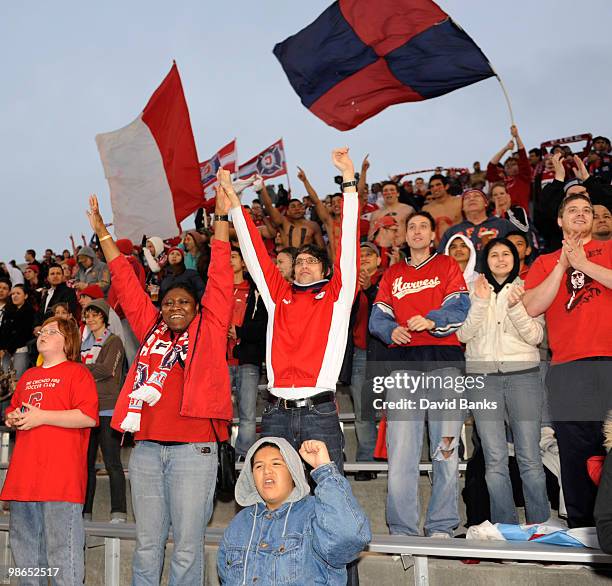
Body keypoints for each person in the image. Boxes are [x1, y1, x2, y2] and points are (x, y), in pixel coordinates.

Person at [86, 185, 233, 584]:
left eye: (184, 302)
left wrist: (220, 219)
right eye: (169, 302)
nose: (175, 308)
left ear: (198, 307)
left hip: (193, 452)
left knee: (187, 546)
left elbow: (220, 276)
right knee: (148, 544)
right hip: (148, 451)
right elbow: (127, 284)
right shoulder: (151, 329)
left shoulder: (210, 328)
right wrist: (102, 232)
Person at [226, 148, 359, 473]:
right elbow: (255, 253)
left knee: (329, 497)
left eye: (312, 262)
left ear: (326, 270)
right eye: (298, 262)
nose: (303, 266)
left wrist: (349, 183)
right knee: (275, 501)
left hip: (319, 411)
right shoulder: (277, 295)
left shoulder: (338, 296)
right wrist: (234, 205)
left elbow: (348, 246)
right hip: (276, 413)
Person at [369, 211, 470, 537]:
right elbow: (377, 317)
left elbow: (459, 307)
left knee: (445, 451)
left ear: (432, 236)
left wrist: (431, 320)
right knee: (401, 456)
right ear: (404, 235)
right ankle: (403, 530)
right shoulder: (392, 274)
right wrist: (390, 331)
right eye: (410, 226)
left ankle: (442, 525)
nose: (416, 231)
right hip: (404, 371)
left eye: (423, 227)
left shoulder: (447, 266)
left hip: (444, 365)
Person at [523, 192, 612, 528]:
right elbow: (532, 306)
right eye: (572, 210)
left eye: (586, 210)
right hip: (568, 367)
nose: (580, 214)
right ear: (560, 220)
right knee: (576, 453)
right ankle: (583, 531)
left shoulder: (609, 249)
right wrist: (562, 264)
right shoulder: (545, 261)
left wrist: (584, 264)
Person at [457, 238, 549, 524]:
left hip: (523, 378)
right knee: (494, 459)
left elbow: (536, 337)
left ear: (515, 258)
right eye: (493, 254)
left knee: (530, 458)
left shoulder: (528, 290)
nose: (500, 259)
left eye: (506, 253)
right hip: (483, 379)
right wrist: (481, 303)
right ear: (486, 260)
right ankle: (506, 529)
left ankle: (540, 527)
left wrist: (515, 308)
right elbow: (462, 335)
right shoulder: (473, 291)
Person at [1, 316, 98, 585]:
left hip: (60, 479)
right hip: (24, 478)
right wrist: (13, 418)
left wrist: (42, 416)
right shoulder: (29, 375)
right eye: (42, 331)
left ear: (68, 342)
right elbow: (15, 411)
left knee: (62, 551)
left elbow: (88, 417)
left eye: (52, 331)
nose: (43, 334)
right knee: (24, 551)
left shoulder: (78, 372)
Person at [217, 437, 371, 585]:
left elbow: (349, 537)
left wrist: (324, 470)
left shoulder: (317, 514)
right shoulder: (238, 524)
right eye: (258, 466)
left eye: (276, 464)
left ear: (293, 472)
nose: (266, 471)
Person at [80, 299, 127, 523]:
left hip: (108, 408)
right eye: (87, 315)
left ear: (104, 317)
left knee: (112, 463)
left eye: (94, 315)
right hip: (87, 410)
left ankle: (118, 512)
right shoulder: (83, 343)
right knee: (86, 465)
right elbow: (95, 370)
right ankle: (85, 512)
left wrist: (80, 369)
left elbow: (107, 370)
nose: (90, 319)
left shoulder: (114, 341)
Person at [228, 247, 267, 458]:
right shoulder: (217, 290)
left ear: (244, 263)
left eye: (233, 256)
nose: (228, 260)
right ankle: (221, 456)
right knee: (219, 414)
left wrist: (239, 331)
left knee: (248, 414)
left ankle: (245, 458)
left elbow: (264, 326)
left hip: (247, 359)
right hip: (220, 360)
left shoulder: (256, 290)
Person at [437, 188, 513, 263]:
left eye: (476, 196)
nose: (472, 199)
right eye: (467, 198)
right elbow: (441, 258)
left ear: (486, 203)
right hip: (462, 274)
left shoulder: (503, 224)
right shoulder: (452, 231)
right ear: (462, 207)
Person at [486, 125, 532, 211]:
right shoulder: (501, 182)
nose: (509, 166)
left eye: (513, 164)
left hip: (520, 218)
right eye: (507, 165)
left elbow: (523, 156)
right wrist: (506, 148)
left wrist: (517, 136)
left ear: (519, 167)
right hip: (502, 218)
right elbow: (491, 166)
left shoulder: (523, 178)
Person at [0, 285, 36, 380]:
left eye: (18, 293)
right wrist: (2, 347)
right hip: (6, 351)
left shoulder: (30, 311)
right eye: (12, 294)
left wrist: (7, 348)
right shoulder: (8, 311)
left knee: (17, 379)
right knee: (5, 380)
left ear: (25, 296)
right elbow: (3, 331)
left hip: (21, 350)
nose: (14, 296)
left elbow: (23, 334)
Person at [368, 181, 415, 248]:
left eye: (392, 190)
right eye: (385, 191)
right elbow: (370, 236)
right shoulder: (375, 214)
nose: (389, 193)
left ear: (398, 193)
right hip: (380, 250)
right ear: (382, 194)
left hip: (402, 249)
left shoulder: (408, 210)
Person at [422, 174, 463, 244]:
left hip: (460, 248)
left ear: (446, 186)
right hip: (438, 250)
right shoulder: (426, 209)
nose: (435, 188)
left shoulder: (460, 202)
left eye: (438, 185)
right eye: (432, 186)